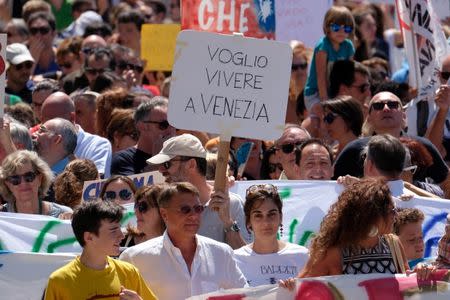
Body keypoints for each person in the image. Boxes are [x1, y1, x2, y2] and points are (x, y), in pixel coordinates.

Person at [120, 182, 247, 300]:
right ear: (164, 214)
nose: (193, 215)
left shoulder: (221, 253)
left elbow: (245, 295)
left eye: (198, 209)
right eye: (185, 210)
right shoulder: (134, 258)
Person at [148, 133, 251, 249]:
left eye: (167, 164)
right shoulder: (163, 204)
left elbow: (244, 257)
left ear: (191, 164)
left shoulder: (231, 203)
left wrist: (228, 222)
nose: (161, 170)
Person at [44, 200, 156, 300]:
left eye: (120, 228)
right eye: (113, 230)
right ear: (89, 237)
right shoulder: (60, 281)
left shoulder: (129, 273)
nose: (122, 235)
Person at [333, 92, 448, 185]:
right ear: (369, 118)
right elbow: (332, 184)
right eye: (378, 106)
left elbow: (446, 182)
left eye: (393, 105)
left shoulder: (422, 146)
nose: (386, 109)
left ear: (404, 115)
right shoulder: (354, 149)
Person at [299, 178, 405, 276]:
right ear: (372, 216)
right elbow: (304, 288)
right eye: (391, 211)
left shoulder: (394, 245)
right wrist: (290, 285)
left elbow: (409, 289)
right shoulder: (333, 252)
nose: (396, 215)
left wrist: (419, 273)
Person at [234, 184, 309, 286]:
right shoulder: (235, 259)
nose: (266, 223)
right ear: (248, 221)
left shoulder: (302, 255)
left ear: (281, 217)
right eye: (258, 215)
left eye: (271, 214)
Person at [40, 91, 112, 178]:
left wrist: (66, 157)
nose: (48, 125)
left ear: (72, 118)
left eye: (54, 120)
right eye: (44, 121)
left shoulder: (97, 145)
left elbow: (95, 184)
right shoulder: (38, 145)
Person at [304, 6, 355, 118]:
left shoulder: (348, 46)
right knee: (324, 119)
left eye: (346, 28)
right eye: (336, 27)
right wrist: (326, 102)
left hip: (335, 92)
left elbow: (349, 76)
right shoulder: (323, 46)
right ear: (327, 27)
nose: (341, 31)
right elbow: (321, 78)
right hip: (316, 93)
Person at [111, 97, 176, 176]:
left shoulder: (179, 157)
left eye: (174, 124)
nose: (171, 131)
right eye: (164, 125)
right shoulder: (123, 159)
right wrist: (157, 159)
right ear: (141, 126)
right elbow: (134, 188)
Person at [0, 150, 72, 218]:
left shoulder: (63, 215)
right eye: (15, 179)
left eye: (29, 176)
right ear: (7, 184)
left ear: (40, 179)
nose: (23, 183)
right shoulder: (2, 216)